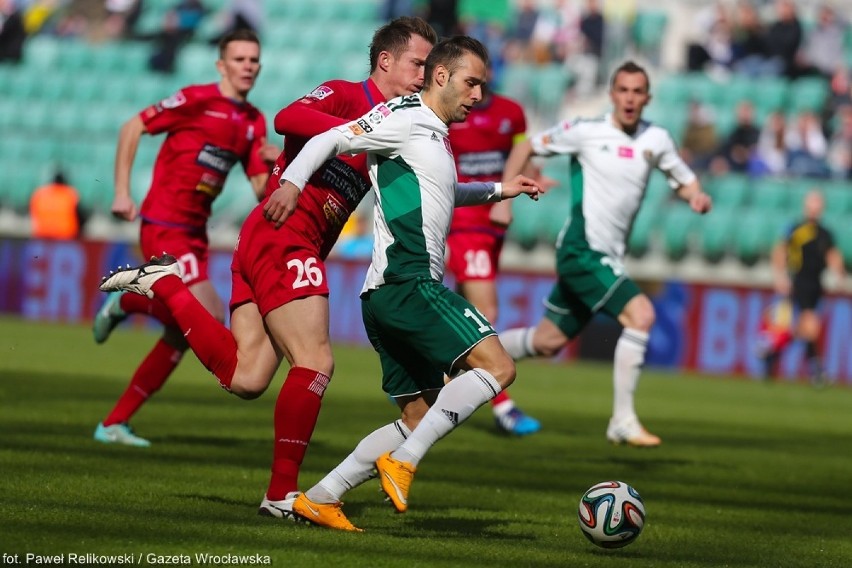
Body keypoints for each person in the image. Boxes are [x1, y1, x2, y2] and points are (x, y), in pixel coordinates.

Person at [100, 36, 542, 532]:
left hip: (270, 237)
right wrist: (352, 136)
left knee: (247, 378)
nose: (423, 74)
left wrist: (499, 188)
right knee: (316, 361)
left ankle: (166, 286)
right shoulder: (355, 99)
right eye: (418, 63)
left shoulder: (406, 122)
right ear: (386, 60)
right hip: (286, 234)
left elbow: (435, 187)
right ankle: (284, 494)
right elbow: (288, 118)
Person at [498, 60, 713, 448]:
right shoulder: (586, 131)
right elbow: (528, 144)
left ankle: (470, 357)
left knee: (547, 342)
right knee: (641, 314)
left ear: (647, 97)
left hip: (607, 255)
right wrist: (506, 196)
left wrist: (694, 196)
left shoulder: (656, 140)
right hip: (582, 249)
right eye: (623, 90)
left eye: (637, 91)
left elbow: (684, 179)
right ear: (612, 94)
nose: (630, 98)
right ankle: (623, 420)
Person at [92, 28, 278, 448]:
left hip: (195, 233)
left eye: (254, 60)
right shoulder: (196, 100)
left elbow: (261, 190)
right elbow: (132, 126)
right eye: (240, 59)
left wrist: (284, 158)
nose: (248, 66)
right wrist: (122, 192)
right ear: (221, 65)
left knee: (183, 332)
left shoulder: (253, 122)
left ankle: (114, 422)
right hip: (164, 223)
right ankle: (129, 299)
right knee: (205, 320)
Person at [446, 84, 543, 436]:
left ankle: (430, 379)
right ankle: (503, 407)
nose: (475, 87)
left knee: (461, 312)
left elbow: (522, 150)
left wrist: (533, 173)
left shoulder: (511, 112)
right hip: (465, 222)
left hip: (496, 225)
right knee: (486, 313)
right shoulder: (451, 111)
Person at [766, 190, 846, 385]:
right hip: (799, 281)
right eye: (812, 203)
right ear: (806, 205)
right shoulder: (795, 228)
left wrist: (839, 274)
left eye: (818, 203)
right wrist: (780, 276)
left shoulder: (825, 233)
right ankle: (817, 370)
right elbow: (780, 251)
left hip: (816, 284)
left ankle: (773, 352)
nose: (815, 207)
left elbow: (832, 255)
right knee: (811, 324)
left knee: (804, 328)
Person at [29, 170, 84, 239]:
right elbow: (80, 215)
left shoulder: (39, 193)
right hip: (66, 236)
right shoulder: (70, 193)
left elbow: (32, 212)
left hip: (42, 235)